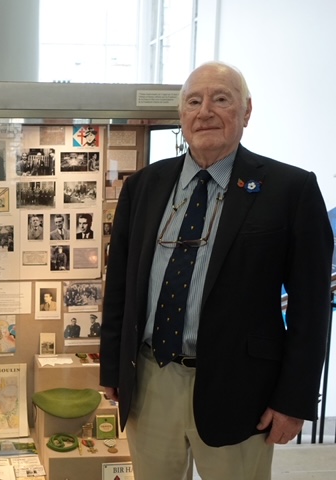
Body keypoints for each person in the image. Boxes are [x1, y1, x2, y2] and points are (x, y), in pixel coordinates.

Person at [99, 62, 333, 480]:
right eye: (194, 101)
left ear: (246, 112)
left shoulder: (290, 190)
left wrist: (294, 400)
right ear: (182, 116)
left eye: (220, 99)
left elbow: (311, 308)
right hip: (152, 380)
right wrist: (113, 370)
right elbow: (120, 285)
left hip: (241, 390)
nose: (205, 111)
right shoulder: (144, 187)